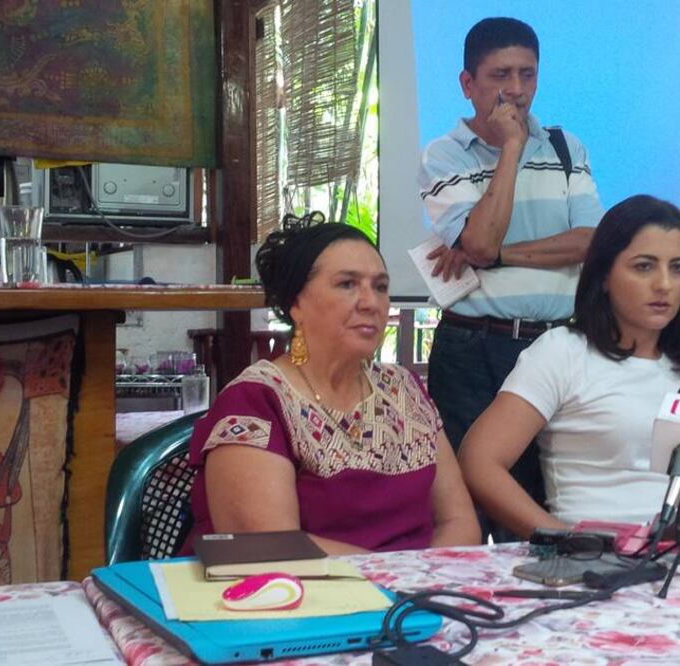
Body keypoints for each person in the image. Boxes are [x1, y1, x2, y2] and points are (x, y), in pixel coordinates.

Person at [457, 195, 680, 537]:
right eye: (644, 266)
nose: (664, 284)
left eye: (678, 268)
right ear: (604, 275)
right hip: (595, 563)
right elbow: (479, 462)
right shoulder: (562, 352)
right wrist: (561, 540)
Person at [185, 222, 479, 554]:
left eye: (380, 287)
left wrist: (420, 584)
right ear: (295, 303)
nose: (371, 302)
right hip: (296, 598)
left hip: (413, 594)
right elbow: (264, 547)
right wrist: (396, 579)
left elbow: (460, 522)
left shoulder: (403, 389)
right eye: (347, 284)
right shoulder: (256, 400)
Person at [418, 17, 605, 525]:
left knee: (551, 497)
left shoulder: (568, 148)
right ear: (467, 84)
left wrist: (499, 255)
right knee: (476, 506)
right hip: (473, 349)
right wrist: (513, 148)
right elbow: (477, 240)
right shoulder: (444, 155)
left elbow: (590, 243)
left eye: (528, 74)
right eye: (501, 75)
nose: (517, 91)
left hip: (559, 345)